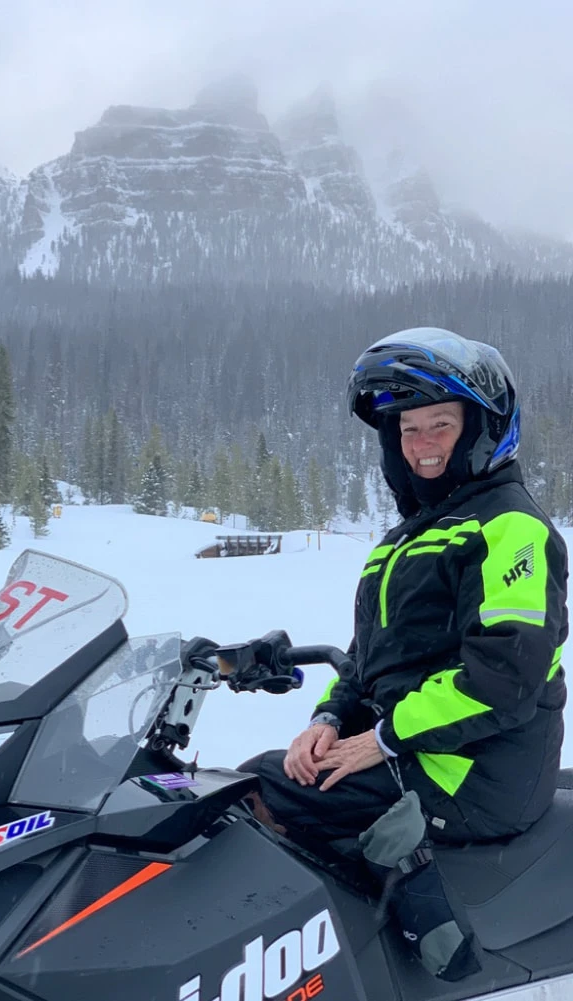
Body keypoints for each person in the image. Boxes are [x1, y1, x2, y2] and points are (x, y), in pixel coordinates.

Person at [240, 327, 568, 850]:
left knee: (253, 792)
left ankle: (437, 934)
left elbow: (507, 674)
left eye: (440, 424)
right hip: (413, 751)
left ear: (482, 430)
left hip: (474, 775)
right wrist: (330, 719)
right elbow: (369, 659)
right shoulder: (406, 540)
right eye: (408, 429)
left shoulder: (511, 528)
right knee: (257, 788)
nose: (421, 444)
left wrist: (383, 739)